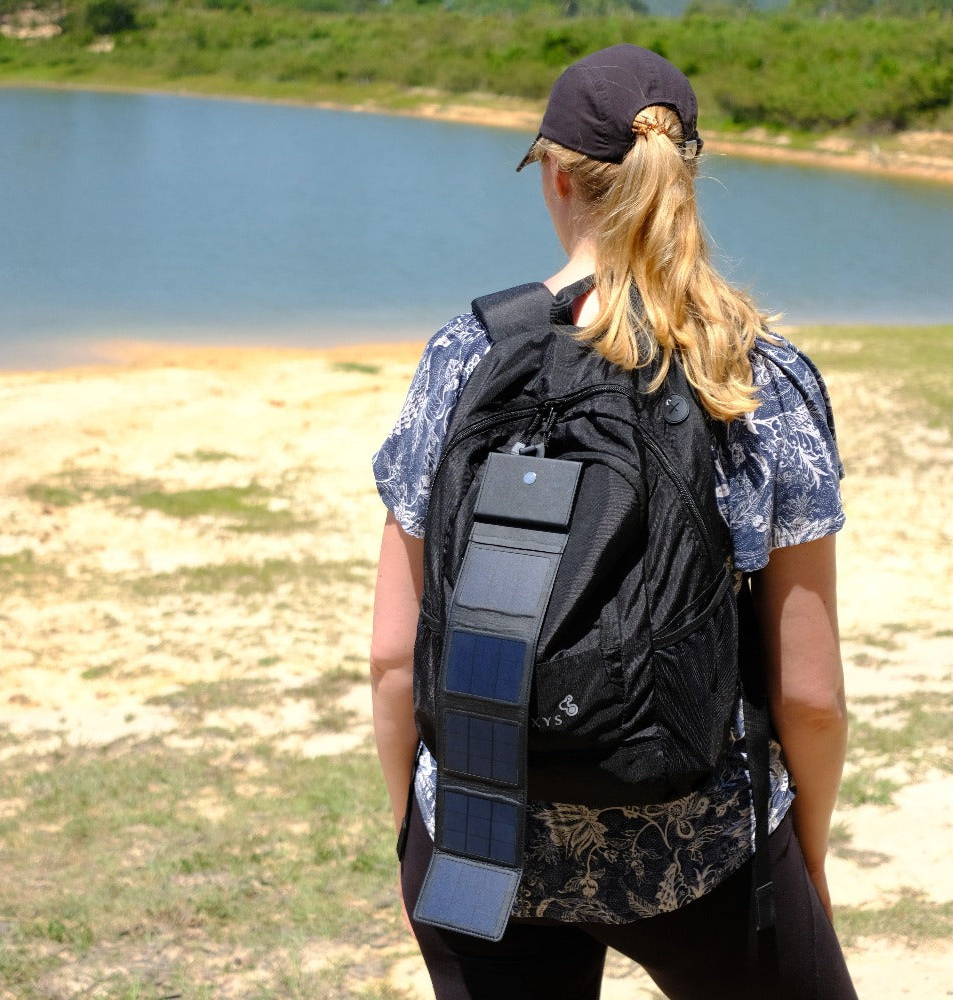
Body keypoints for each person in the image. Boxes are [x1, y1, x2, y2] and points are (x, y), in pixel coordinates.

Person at [370, 43, 858, 1000]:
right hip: (704, 848)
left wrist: (413, 836)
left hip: (478, 842)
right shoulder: (759, 376)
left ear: (555, 176)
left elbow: (394, 657)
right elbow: (809, 697)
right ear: (688, 175)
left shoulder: (462, 357)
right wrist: (806, 859)